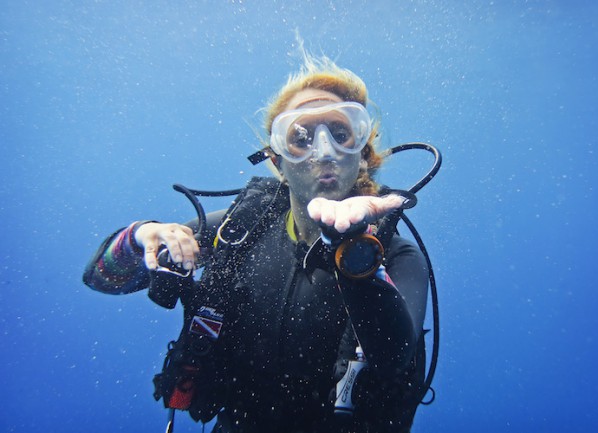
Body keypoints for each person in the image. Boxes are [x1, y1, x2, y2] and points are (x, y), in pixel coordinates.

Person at [83, 53, 430, 433]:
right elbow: (101, 278)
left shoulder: (397, 256)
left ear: (362, 156)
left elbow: (395, 355)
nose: (325, 150)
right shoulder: (234, 234)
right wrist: (137, 238)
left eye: (341, 133)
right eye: (300, 137)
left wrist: (356, 252)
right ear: (277, 159)